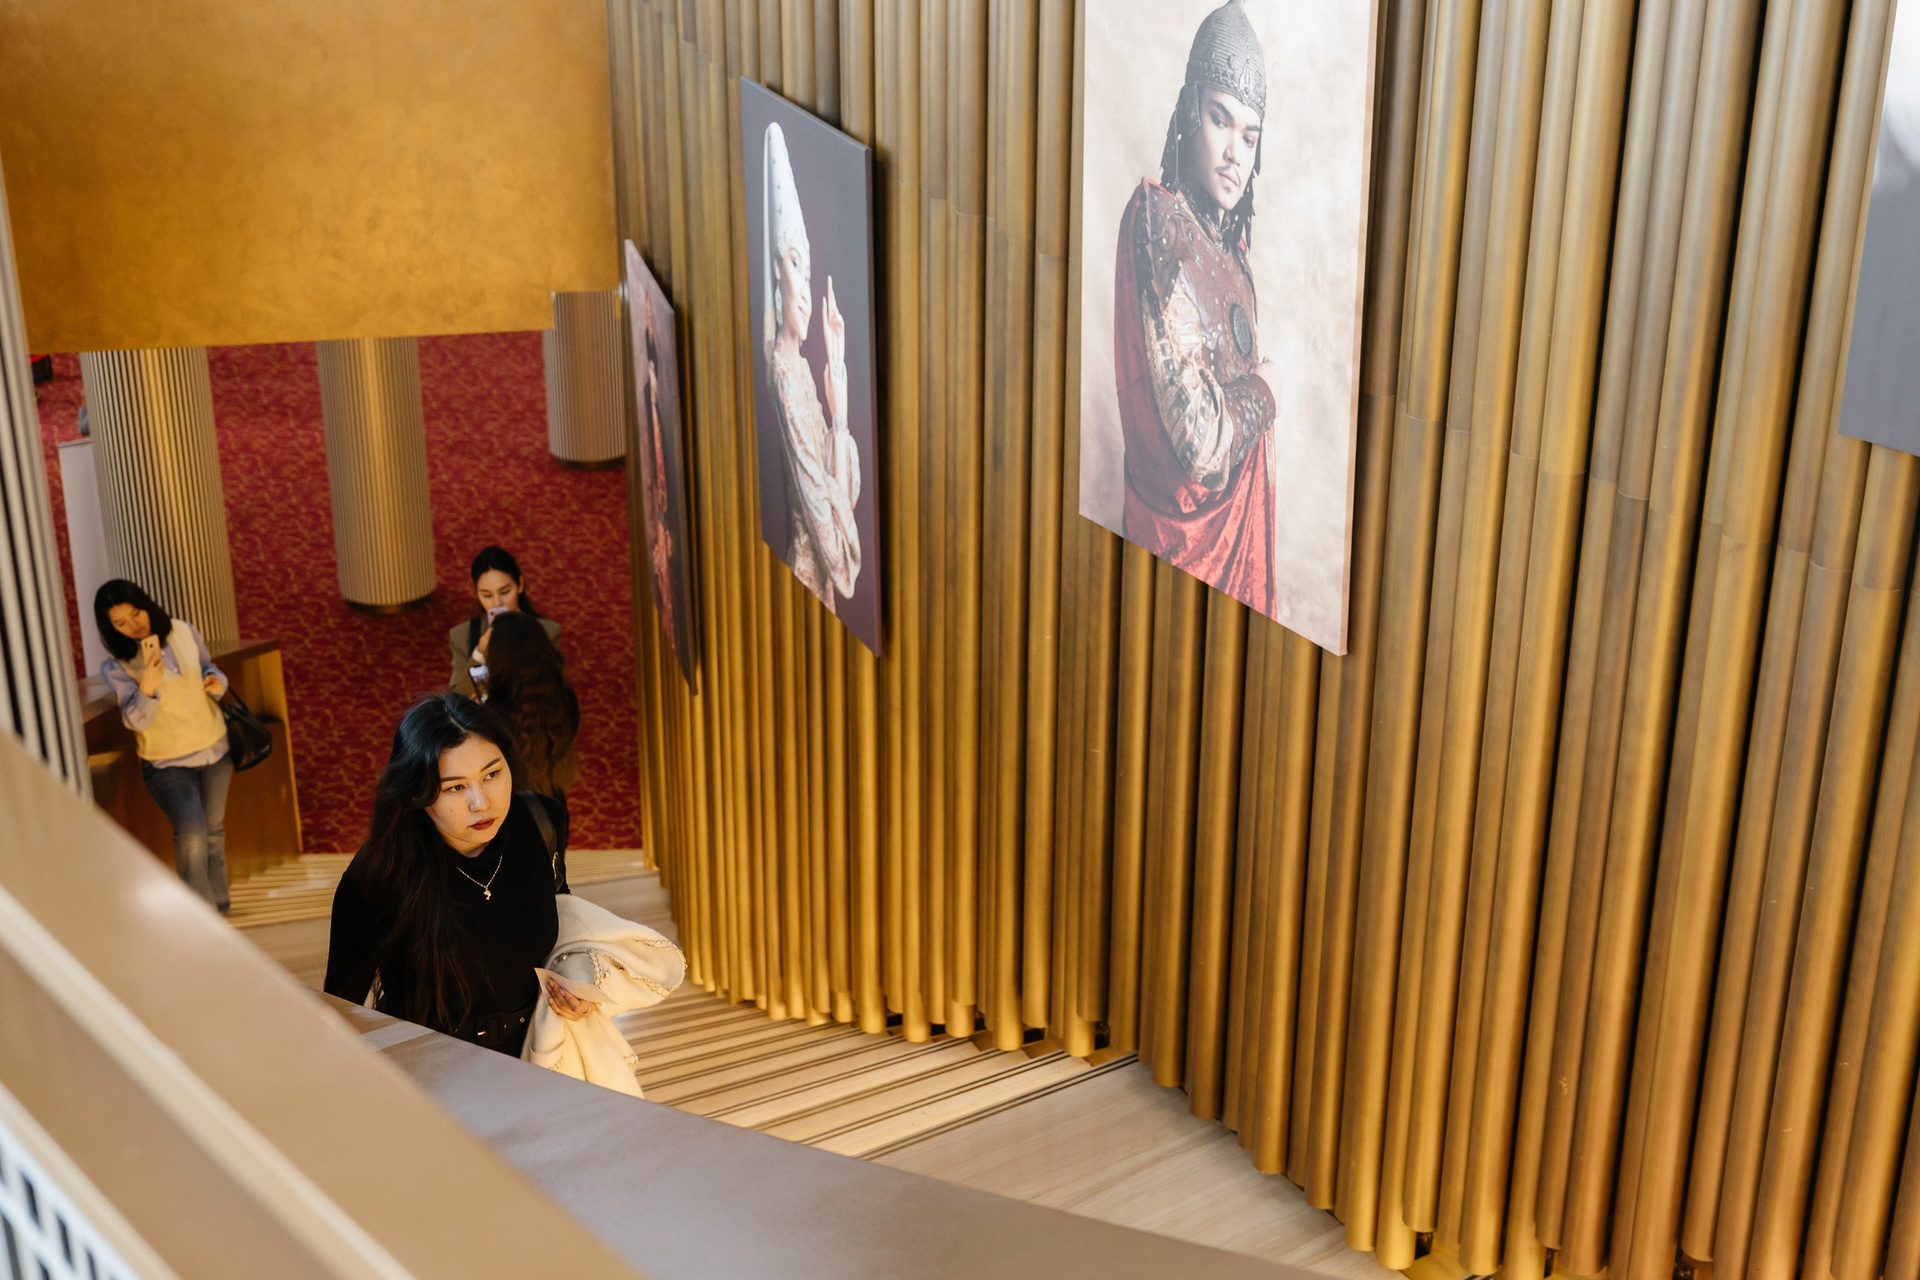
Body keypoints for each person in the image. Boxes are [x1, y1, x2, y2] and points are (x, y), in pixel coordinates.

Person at [1114, 0, 1279, 614]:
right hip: (1178, 551)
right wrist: (1265, 389)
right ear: (1190, 111)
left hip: (1241, 557)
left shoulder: (1235, 254)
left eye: (1249, 136)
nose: (1236, 151)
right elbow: (1202, 443)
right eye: (1220, 119)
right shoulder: (1159, 221)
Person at [323, 692, 595, 1056]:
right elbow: (341, 1011)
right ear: (417, 793)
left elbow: (562, 915)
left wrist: (577, 988)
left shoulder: (541, 822)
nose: (482, 803)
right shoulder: (378, 875)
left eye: (492, 774)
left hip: (536, 1053)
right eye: (456, 787)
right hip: (433, 1065)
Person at [761, 120, 862, 613]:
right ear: (775, 271)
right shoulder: (785, 373)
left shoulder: (799, 368)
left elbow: (840, 493)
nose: (805, 291)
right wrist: (837, 420)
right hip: (808, 578)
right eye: (794, 265)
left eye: (808, 270)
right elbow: (835, 548)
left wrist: (836, 370)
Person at [95, 580, 235, 912]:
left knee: (213, 831)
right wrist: (147, 688)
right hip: (166, 761)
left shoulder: (183, 630)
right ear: (111, 629)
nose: (133, 626)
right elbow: (136, 721)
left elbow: (209, 667)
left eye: (136, 613)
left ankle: (221, 902)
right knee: (191, 834)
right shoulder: (117, 666)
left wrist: (216, 681)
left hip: (214, 747)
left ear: (146, 604)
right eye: (120, 623)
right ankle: (201, 914)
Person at [483, 612, 581, 804]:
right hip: (553, 805)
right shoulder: (565, 699)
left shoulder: (491, 717)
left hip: (510, 811)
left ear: (499, 659)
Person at [448, 545, 562, 699]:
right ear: (477, 593)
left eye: (505, 592)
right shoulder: (462, 635)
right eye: (487, 595)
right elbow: (455, 700)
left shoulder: (547, 631)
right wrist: (480, 654)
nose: (497, 603)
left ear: (520, 584)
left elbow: (555, 693)